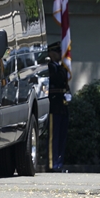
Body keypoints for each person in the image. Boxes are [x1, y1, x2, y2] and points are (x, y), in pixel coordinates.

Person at [46, 41, 71, 171]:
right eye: (56, 52)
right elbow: (56, 80)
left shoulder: (61, 67)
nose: (60, 54)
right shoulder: (50, 67)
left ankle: (59, 162)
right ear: (50, 53)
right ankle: (52, 163)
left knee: (61, 136)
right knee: (53, 136)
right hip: (53, 105)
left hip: (61, 105)